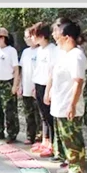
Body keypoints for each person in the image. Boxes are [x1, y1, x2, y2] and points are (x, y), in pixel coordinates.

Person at [48, 20, 87, 173]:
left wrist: (72, 105)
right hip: (60, 104)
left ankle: (77, 172)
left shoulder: (76, 55)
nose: (55, 37)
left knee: (73, 139)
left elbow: (78, 82)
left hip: (69, 105)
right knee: (65, 139)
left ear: (67, 37)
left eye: (58, 35)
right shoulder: (65, 54)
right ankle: (71, 166)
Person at [31, 22, 59, 158]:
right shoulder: (39, 50)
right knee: (43, 115)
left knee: (49, 116)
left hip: (47, 86)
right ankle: (45, 142)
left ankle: (53, 145)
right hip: (38, 84)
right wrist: (34, 86)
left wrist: (48, 90)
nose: (32, 38)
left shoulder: (52, 50)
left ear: (41, 36)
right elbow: (38, 70)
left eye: (33, 35)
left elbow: (52, 72)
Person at [0, 27, 21, 142]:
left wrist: (15, 85)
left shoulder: (11, 51)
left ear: (3, 38)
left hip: (7, 83)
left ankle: (12, 133)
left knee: (9, 110)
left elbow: (16, 69)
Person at [20, 27, 41, 145]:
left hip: (37, 87)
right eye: (25, 37)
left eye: (28, 37)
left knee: (39, 114)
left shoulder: (41, 51)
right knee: (28, 113)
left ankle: (40, 137)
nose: (26, 39)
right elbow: (22, 70)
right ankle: (30, 136)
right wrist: (20, 85)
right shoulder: (25, 52)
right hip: (26, 87)